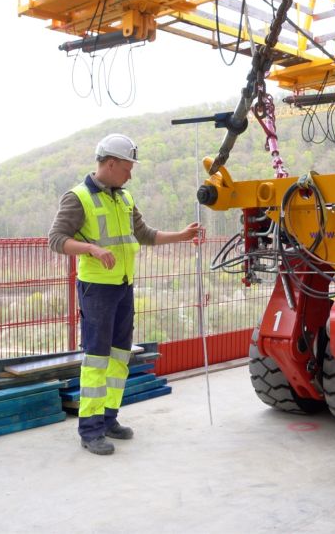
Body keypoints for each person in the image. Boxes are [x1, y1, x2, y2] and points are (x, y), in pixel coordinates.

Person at [48, 133, 201, 456]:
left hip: (123, 286)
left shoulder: (124, 197)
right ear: (111, 163)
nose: (131, 173)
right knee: (96, 360)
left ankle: (108, 418)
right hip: (96, 290)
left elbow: (143, 234)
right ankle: (89, 430)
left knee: (119, 357)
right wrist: (90, 248)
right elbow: (56, 239)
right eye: (128, 167)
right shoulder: (78, 198)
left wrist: (182, 236)